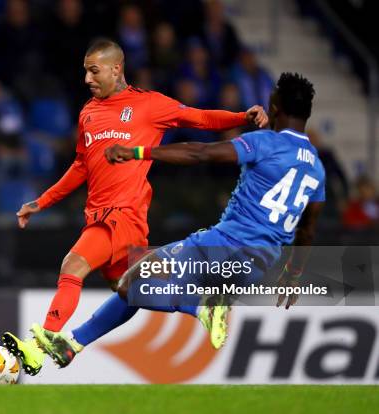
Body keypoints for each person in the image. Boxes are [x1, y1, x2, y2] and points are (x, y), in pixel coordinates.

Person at [2, 38, 267, 375]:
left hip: (122, 215)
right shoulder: (88, 113)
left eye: (94, 71)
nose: (87, 79)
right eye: (85, 72)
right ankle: (199, 308)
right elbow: (81, 166)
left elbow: (199, 118)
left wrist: (242, 116)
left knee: (73, 266)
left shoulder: (149, 106)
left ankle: (41, 344)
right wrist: (43, 201)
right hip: (101, 214)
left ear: (116, 69)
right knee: (133, 292)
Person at [31, 72, 325, 369]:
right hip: (260, 265)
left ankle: (202, 306)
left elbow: (201, 153)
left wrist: (138, 152)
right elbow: (307, 229)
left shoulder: (265, 143)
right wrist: (293, 274)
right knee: (141, 285)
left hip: (224, 245)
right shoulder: (317, 167)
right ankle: (74, 343)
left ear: (275, 108)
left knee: (130, 281)